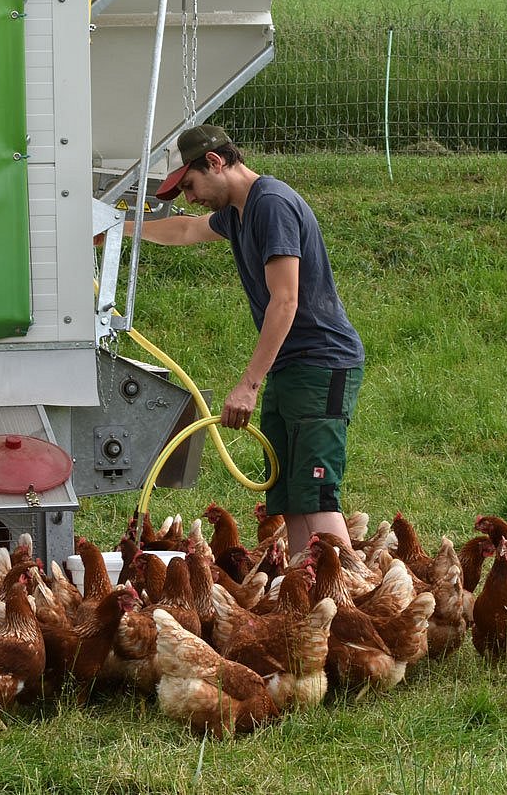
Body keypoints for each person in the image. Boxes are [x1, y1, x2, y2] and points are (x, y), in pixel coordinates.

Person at [115, 124, 364, 555]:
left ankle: (347, 595)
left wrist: (248, 384)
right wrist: (117, 230)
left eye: (190, 185)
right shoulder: (239, 213)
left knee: (318, 495)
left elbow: (285, 301)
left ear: (215, 162)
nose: (191, 198)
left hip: (322, 363)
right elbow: (186, 230)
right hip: (292, 366)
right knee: (292, 498)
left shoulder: (271, 205)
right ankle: (310, 592)